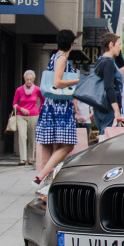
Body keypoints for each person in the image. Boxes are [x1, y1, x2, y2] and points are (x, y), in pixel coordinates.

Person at [36, 30, 80, 182]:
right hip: (60, 106)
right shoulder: (61, 58)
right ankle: (43, 175)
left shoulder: (54, 56)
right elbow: (57, 82)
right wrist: (77, 80)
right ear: (71, 44)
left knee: (57, 146)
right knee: (68, 145)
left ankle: (48, 181)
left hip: (52, 105)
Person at [92, 33, 124, 133]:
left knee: (104, 137)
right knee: (108, 140)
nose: (120, 48)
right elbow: (109, 86)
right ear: (111, 44)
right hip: (108, 107)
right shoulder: (109, 63)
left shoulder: (99, 61)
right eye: (119, 44)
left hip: (98, 105)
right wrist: (116, 110)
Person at [12, 70, 42, 165]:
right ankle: (23, 158)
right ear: (24, 79)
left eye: (30, 79)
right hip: (21, 115)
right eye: (27, 79)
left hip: (33, 115)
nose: (29, 81)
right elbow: (14, 104)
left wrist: (39, 111)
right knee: (22, 135)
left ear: (33, 79)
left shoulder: (37, 89)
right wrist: (21, 109)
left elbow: (43, 100)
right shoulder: (19, 90)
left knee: (32, 136)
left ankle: (30, 158)